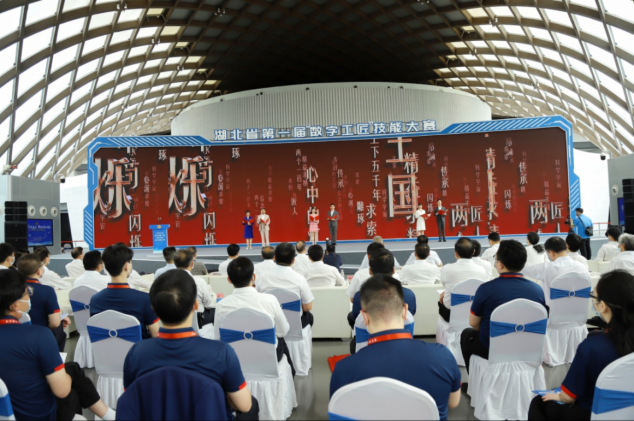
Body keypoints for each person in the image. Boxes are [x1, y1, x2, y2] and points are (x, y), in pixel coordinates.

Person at [123, 270, 258, 420]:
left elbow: (131, 400)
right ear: (195, 305)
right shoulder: (221, 352)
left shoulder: (135, 353)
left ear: (152, 308)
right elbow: (244, 405)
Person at [331, 275, 461, 421]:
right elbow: (453, 402)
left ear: (364, 317)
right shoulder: (443, 357)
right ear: (405, 311)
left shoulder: (344, 369)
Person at [0, 270, 116, 421]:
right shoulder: (39, 336)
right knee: (73, 383)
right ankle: (108, 415)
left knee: (72, 370)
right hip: (39, 415)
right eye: (27, 293)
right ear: (15, 305)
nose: (29, 297)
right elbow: (62, 391)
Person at [528, 270, 634, 420]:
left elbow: (568, 397)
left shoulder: (593, 347)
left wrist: (560, 396)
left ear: (602, 305)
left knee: (539, 403)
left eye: (593, 296)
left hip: (595, 412)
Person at [460, 240, 546, 374]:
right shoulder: (537, 290)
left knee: (466, 334)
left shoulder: (485, 289)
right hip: (527, 346)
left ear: (500, 264)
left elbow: (474, 323)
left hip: (492, 348)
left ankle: (473, 380)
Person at [216, 256, 293, 372]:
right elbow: (283, 331)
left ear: (229, 279)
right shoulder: (270, 300)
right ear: (254, 277)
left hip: (235, 359)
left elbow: (218, 338)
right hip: (268, 358)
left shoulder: (221, 305)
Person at [90, 244, 159, 339]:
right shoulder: (144, 299)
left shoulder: (95, 300)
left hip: (104, 348)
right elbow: (156, 335)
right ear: (126, 266)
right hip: (139, 348)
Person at [348, 249, 417, 334]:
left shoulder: (360, 296)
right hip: (402, 338)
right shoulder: (409, 295)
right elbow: (411, 314)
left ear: (370, 271)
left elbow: (356, 316)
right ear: (393, 271)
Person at [17, 253, 70, 352]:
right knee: (60, 331)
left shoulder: (12, 289)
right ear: (39, 271)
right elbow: (54, 323)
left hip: (16, 334)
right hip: (40, 336)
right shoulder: (47, 291)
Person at [256, 242, 314, 329]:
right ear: (293, 260)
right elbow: (307, 307)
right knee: (309, 316)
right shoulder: (300, 279)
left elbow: (258, 298)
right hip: (295, 325)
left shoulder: (262, 276)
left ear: (275, 258)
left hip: (271, 323)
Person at [523, 236, 590, 306]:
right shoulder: (582, 268)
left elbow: (525, 267)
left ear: (551, 252)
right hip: (579, 309)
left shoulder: (547, 268)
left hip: (552, 311)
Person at [438, 238, 488, 323]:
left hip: (450, 314)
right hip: (475, 313)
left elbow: (445, 285)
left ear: (455, 253)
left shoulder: (446, 269)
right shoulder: (482, 270)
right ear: (473, 252)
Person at [173, 249, 214, 327]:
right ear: (192, 263)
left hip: (175, 320)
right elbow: (209, 305)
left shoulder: (168, 281)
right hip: (198, 320)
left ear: (175, 264)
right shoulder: (199, 281)